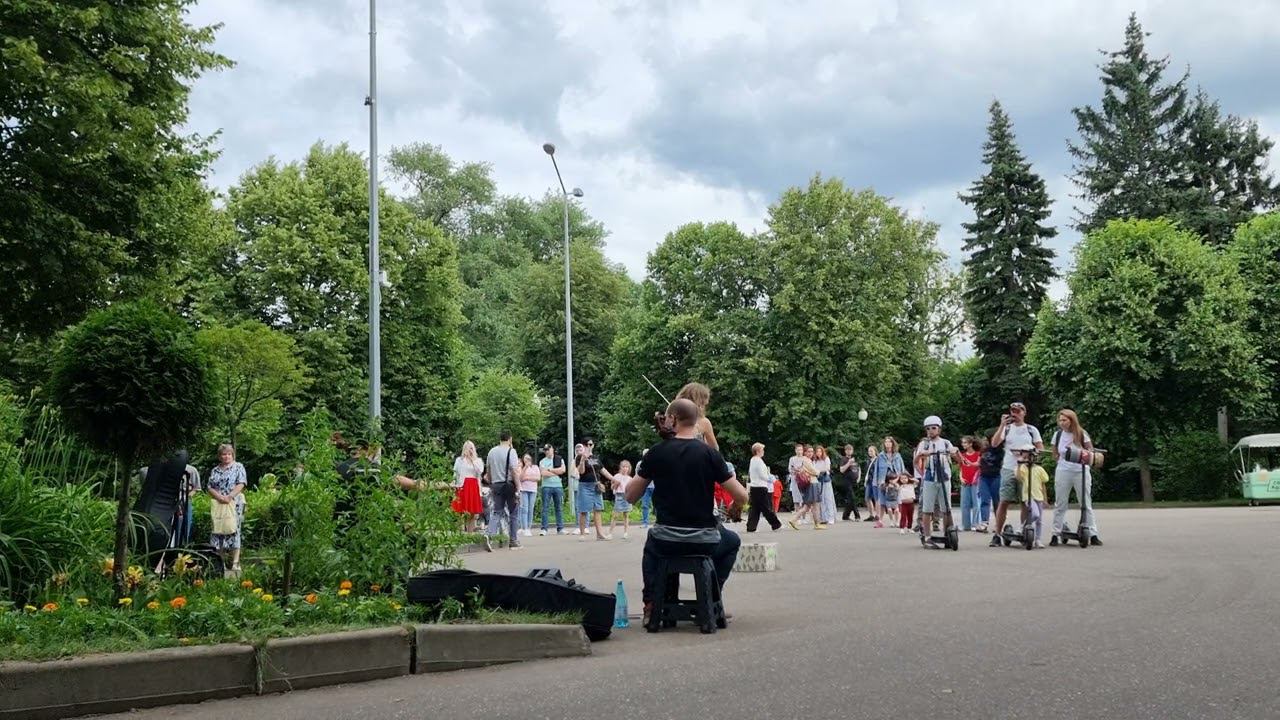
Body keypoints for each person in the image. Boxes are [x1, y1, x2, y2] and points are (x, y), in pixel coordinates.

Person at [625, 398, 747, 627]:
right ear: (695, 421)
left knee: (652, 549)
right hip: (704, 540)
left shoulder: (657, 452)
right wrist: (733, 508)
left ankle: (652, 604)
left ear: (672, 419)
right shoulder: (710, 455)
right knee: (732, 541)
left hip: (666, 539)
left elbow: (630, 496)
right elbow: (742, 495)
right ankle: (711, 596)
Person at [990, 402, 1044, 547]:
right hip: (1009, 467)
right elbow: (994, 443)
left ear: (1024, 413)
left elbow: (1040, 449)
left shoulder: (1031, 430)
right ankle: (997, 533)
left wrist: (1028, 453)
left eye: (1018, 411)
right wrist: (1001, 425)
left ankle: (1023, 529)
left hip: (1026, 468)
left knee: (1025, 501)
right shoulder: (1007, 429)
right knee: (1004, 500)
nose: (1015, 414)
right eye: (1013, 411)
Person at [1050, 409, 1102, 546]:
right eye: (1060, 420)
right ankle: (1056, 533)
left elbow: (1091, 450)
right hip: (1063, 470)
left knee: (1085, 503)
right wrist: (1061, 460)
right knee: (1060, 503)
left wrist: (1082, 454)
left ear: (1072, 420)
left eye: (1064, 420)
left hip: (1081, 471)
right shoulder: (1058, 435)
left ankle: (1092, 533)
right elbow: (1054, 453)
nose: (1062, 423)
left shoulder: (1081, 433)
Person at [915, 416, 960, 547]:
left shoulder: (946, 443)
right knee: (927, 509)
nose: (931, 431)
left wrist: (955, 452)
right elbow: (916, 462)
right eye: (928, 429)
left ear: (939, 429)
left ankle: (948, 533)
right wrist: (922, 456)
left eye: (933, 428)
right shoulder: (924, 444)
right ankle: (927, 536)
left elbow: (959, 461)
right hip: (930, 479)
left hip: (944, 478)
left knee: (947, 508)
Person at [207, 443, 247, 576]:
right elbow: (210, 487)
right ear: (219, 456)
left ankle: (235, 563)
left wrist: (229, 496)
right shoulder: (215, 470)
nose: (226, 456)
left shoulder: (238, 467)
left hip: (234, 502)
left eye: (229, 454)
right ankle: (220, 563)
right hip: (219, 503)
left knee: (234, 530)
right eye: (224, 454)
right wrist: (219, 497)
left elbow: (241, 483)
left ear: (232, 455)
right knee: (218, 531)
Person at [484, 431, 522, 551]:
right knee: (514, 512)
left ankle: (489, 534)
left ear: (500, 439)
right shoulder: (511, 451)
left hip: (496, 484)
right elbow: (514, 470)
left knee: (497, 511)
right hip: (509, 485)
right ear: (510, 439)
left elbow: (488, 470)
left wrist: (491, 481)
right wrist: (519, 487)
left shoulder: (492, 451)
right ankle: (513, 540)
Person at [1012, 443, 1050, 548]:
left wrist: (1045, 499)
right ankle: (1022, 526)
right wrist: (1019, 465)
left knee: (1039, 520)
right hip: (1029, 496)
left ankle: (1038, 539)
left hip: (1039, 496)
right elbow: (1019, 478)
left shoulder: (1039, 469)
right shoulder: (1022, 468)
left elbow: (1043, 485)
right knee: (1035, 514)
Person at [575, 439, 610, 541]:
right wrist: (582, 460)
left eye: (590, 444)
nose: (588, 446)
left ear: (593, 445)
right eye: (586, 444)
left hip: (596, 485)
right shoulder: (579, 457)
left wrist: (614, 479)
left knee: (598, 509)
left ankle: (600, 534)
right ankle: (582, 533)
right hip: (585, 485)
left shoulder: (596, 458)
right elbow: (581, 472)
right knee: (583, 510)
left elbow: (603, 470)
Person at [746, 443, 782, 532]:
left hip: (754, 487)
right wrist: (771, 479)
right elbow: (762, 475)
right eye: (762, 450)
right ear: (758, 451)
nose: (763, 452)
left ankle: (751, 527)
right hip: (761, 486)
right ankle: (776, 524)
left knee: (755, 508)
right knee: (766, 507)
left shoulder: (752, 460)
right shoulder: (758, 461)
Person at [788, 446, 825, 530]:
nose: (811, 453)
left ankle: (794, 520)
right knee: (814, 505)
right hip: (812, 483)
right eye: (808, 451)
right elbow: (814, 471)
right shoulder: (806, 460)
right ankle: (817, 524)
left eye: (812, 451)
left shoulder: (806, 460)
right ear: (805, 452)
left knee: (808, 506)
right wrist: (819, 471)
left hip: (811, 483)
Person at [451, 441, 485, 532]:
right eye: (468, 448)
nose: (470, 450)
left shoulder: (478, 461)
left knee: (472, 512)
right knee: (460, 511)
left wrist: (472, 460)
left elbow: (480, 471)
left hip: (473, 486)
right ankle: (460, 532)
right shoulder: (459, 460)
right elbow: (455, 474)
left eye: (471, 448)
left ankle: (470, 533)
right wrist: (453, 484)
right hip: (462, 485)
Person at [873, 437, 906, 528]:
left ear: (892, 444)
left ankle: (899, 520)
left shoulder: (897, 455)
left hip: (896, 480)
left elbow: (902, 468)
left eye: (889, 442)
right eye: (886, 442)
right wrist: (876, 482)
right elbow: (877, 469)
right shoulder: (880, 456)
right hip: (883, 480)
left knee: (898, 501)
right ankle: (880, 521)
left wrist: (902, 480)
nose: (887, 443)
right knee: (882, 502)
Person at [601, 459, 635, 540]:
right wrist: (616, 484)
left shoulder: (630, 478)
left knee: (626, 515)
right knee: (615, 515)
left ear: (629, 468)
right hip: (619, 495)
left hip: (626, 496)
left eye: (627, 467)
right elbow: (612, 487)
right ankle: (610, 533)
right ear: (620, 467)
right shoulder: (616, 476)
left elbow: (631, 489)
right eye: (623, 466)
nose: (625, 468)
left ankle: (626, 532)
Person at [974, 435, 1001, 533]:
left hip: (996, 476)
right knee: (984, 500)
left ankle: (999, 523)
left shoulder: (998, 450)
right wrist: (971, 463)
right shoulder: (982, 451)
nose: (983, 441)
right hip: (984, 477)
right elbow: (979, 463)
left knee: (996, 501)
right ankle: (984, 522)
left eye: (986, 439)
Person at [538, 444, 566, 536]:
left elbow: (563, 470)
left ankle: (560, 528)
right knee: (545, 508)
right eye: (545, 450)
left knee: (559, 508)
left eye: (548, 449)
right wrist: (556, 472)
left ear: (552, 449)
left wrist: (550, 470)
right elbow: (543, 473)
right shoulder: (542, 461)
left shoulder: (559, 459)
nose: (547, 451)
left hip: (558, 486)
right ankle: (544, 528)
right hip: (546, 486)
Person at [958, 436, 981, 531]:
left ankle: (975, 524)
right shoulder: (962, 455)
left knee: (976, 503)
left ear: (971, 444)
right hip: (965, 480)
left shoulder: (978, 454)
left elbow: (978, 465)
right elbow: (960, 467)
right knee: (964, 503)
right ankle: (966, 525)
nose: (963, 445)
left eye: (965, 443)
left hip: (975, 481)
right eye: (963, 443)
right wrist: (961, 477)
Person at [517, 453, 540, 538]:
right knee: (524, 509)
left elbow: (538, 478)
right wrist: (525, 468)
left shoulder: (535, 467)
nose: (527, 460)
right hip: (524, 490)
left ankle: (529, 527)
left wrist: (528, 478)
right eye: (525, 458)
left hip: (533, 490)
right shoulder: (522, 468)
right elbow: (520, 478)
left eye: (528, 458)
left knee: (531, 508)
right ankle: (524, 527)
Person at [838, 444, 862, 521]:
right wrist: (849, 463)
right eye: (847, 450)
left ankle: (845, 516)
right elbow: (841, 470)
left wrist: (859, 477)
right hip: (846, 482)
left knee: (850, 500)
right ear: (845, 451)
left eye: (850, 450)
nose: (849, 451)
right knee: (852, 498)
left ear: (852, 451)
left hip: (854, 482)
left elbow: (858, 468)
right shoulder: (844, 459)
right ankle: (857, 516)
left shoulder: (854, 459)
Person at [815, 445, 836, 524]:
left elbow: (827, 468)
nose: (818, 453)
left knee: (828, 499)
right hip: (818, 480)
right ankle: (824, 518)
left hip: (826, 480)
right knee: (821, 500)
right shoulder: (815, 461)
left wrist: (819, 471)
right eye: (817, 452)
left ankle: (831, 517)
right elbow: (814, 469)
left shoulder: (826, 459)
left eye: (820, 451)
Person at [863, 444, 880, 522]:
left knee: (876, 498)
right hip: (869, 481)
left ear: (875, 451)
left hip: (875, 481)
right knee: (867, 498)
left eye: (871, 451)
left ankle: (877, 515)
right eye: (869, 451)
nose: (870, 452)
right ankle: (871, 515)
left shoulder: (878, 460)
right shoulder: (868, 461)